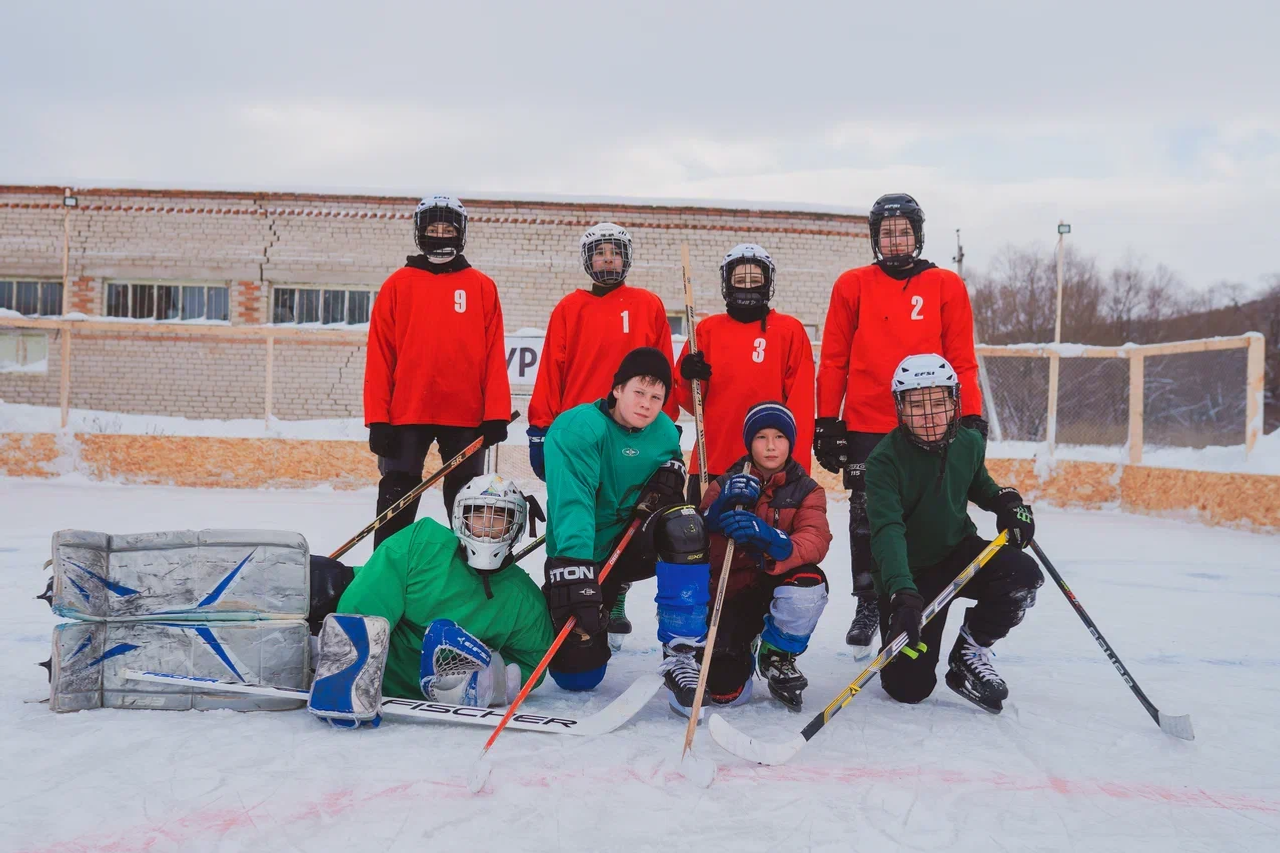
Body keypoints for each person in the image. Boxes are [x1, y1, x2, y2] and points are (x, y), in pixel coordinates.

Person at [814, 193, 987, 651]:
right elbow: (833, 360)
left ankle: (918, 588)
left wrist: (970, 414)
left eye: (904, 231)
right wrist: (827, 420)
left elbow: (962, 358)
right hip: (868, 420)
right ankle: (869, 599)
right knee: (867, 514)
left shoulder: (946, 285)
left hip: (933, 419)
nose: (896, 240)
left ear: (918, 235)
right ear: (875, 239)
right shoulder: (852, 284)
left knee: (931, 506)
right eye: (887, 233)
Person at [527, 222, 680, 639]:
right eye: (600, 253)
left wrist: (668, 419)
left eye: (615, 253)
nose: (608, 260)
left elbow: (662, 367)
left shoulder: (647, 304)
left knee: (625, 511)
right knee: (572, 511)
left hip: (629, 429)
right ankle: (563, 588)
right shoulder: (569, 308)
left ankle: (614, 594)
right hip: (578, 432)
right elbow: (551, 369)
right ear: (587, 259)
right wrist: (540, 428)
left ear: (626, 258)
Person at [865, 354, 1042, 714]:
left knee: (1022, 574)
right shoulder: (883, 461)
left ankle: (970, 649)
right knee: (908, 688)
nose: (929, 414)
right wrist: (901, 591)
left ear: (954, 402)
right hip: (910, 575)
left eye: (938, 402)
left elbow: (980, 485)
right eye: (916, 404)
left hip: (958, 552)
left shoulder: (969, 442)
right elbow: (887, 530)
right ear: (900, 407)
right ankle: (901, 640)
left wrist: (1007, 503)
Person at [539, 346, 710, 714]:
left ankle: (682, 653)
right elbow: (574, 505)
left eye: (656, 397)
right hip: (584, 548)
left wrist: (672, 475)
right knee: (578, 676)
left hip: (633, 539)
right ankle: (605, 597)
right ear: (617, 389)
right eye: (639, 392)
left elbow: (671, 462)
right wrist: (577, 570)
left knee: (686, 524)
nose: (647, 404)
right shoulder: (578, 429)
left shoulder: (663, 429)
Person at [311, 473, 555, 706]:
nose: (487, 524)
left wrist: (492, 683)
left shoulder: (524, 599)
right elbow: (365, 603)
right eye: (477, 513)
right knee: (314, 577)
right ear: (460, 517)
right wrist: (347, 676)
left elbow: (531, 662)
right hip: (346, 635)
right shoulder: (423, 542)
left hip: (423, 683)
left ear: (517, 524)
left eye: (500, 516)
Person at [364, 195, 512, 548]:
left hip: (466, 416)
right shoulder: (397, 285)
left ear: (460, 235)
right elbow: (380, 356)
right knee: (397, 493)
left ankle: (471, 574)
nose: (441, 235)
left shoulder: (481, 286)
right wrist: (378, 419)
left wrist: (496, 414)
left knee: (467, 500)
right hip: (406, 413)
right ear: (420, 233)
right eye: (433, 228)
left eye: (448, 229)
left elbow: (494, 356)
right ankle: (388, 572)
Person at [697, 401, 831, 710]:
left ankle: (776, 652)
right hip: (732, 592)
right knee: (724, 692)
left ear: (791, 442)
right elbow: (698, 549)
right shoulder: (724, 483)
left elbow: (815, 540)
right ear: (749, 442)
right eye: (761, 437)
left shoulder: (807, 490)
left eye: (779, 437)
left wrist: (771, 539)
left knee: (809, 583)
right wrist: (715, 516)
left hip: (776, 583)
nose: (771, 446)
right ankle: (737, 646)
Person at [675, 244, 816, 504]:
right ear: (727, 283)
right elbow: (691, 403)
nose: (747, 287)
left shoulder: (790, 331)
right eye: (739, 280)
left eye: (755, 280)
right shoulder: (706, 330)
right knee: (705, 542)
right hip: (712, 459)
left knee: (757, 542)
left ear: (768, 282)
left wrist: (796, 470)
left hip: (768, 466)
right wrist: (687, 376)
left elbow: (801, 408)